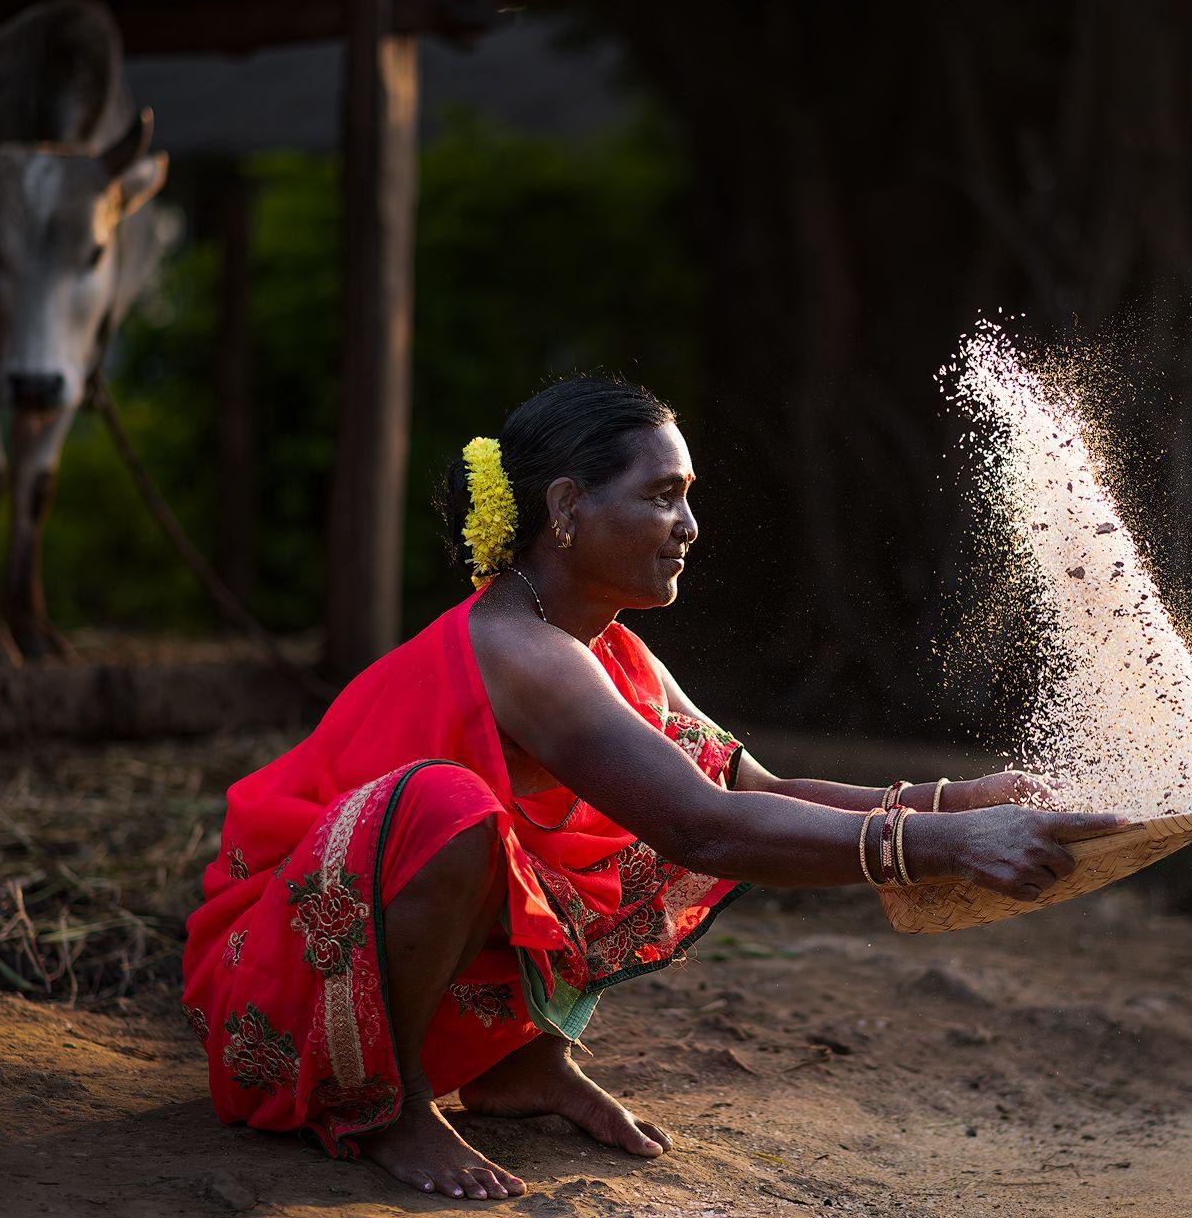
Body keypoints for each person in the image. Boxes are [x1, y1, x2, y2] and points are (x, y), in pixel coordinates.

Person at [180, 377, 1126, 1200]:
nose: (689, 525)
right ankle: (388, 1109)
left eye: (689, 496)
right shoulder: (524, 654)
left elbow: (758, 785)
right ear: (566, 508)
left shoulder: (611, 651)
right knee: (451, 808)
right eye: (664, 496)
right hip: (276, 987)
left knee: (632, 797)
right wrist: (949, 850)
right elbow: (706, 832)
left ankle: (520, 1063)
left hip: (362, 963)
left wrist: (958, 801)